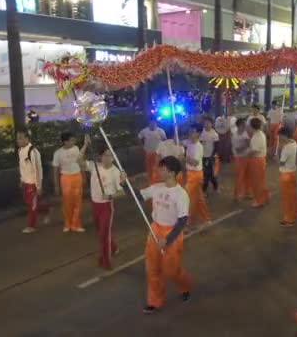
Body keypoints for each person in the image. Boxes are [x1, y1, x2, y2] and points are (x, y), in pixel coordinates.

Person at [121, 156, 193, 315]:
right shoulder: (157, 187)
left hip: (172, 233)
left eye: (163, 169)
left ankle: (185, 285)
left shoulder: (180, 194)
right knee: (152, 268)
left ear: (172, 173)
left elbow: (182, 221)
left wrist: (167, 239)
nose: (159, 171)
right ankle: (154, 301)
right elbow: (137, 196)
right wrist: (124, 184)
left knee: (171, 270)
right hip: (154, 231)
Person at [80, 138, 123, 270]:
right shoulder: (94, 166)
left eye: (110, 156)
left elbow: (121, 192)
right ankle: (113, 247)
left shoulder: (115, 172)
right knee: (101, 232)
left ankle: (106, 260)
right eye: (105, 155)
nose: (108, 158)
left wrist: (109, 196)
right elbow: (79, 161)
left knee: (103, 235)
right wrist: (85, 145)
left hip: (106, 206)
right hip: (95, 205)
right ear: (100, 156)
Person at [16, 129, 49, 234]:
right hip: (26, 182)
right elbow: (22, 167)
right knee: (30, 204)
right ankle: (47, 210)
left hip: (33, 184)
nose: (18, 140)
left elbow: (37, 170)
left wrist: (38, 186)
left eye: (20, 138)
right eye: (17, 138)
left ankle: (31, 226)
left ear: (27, 138)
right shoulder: (20, 150)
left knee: (32, 206)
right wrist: (22, 179)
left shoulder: (33, 151)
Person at [52, 132, 85, 233]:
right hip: (65, 178)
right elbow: (55, 170)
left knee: (77, 201)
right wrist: (56, 185)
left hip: (77, 176)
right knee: (66, 202)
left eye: (74, 140)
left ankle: (76, 224)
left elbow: (81, 162)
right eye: (71, 140)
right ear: (65, 142)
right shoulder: (58, 153)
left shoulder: (76, 148)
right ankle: (67, 224)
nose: (73, 142)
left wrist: (83, 176)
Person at [278, 127, 297, 226]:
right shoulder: (294, 143)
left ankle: (289, 219)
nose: (279, 139)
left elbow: (281, 163)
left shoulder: (286, 148)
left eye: (280, 137)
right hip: (292, 172)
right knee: (292, 195)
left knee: (287, 199)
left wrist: (279, 150)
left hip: (285, 175)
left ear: (285, 136)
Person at [185, 124, 210, 224]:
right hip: (191, 173)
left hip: (195, 175)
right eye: (190, 130)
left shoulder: (198, 147)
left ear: (198, 134)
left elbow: (195, 162)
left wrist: (184, 158)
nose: (190, 133)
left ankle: (187, 221)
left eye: (193, 131)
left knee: (188, 197)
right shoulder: (189, 143)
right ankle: (205, 218)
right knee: (198, 197)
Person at [248, 118, 270, 208]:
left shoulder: (257, 136)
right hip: (260, 160)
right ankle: (264, 197)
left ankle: (259, 200)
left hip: (257, 160)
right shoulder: (260, 134)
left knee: (257, 182)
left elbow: (255, 151)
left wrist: (247, 153)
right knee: (260, 180)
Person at [138, 117, 166, 185]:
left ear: (156, 123)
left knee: (159, 167)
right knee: (150, 168)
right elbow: (139, 138)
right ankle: (151, 182)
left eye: (154, 123)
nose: (152, 124)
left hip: (158, 154)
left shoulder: (160, 131)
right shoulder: (144, 131)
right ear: (149, 123)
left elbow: (164, 140)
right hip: (148, 153)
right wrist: (142, 147)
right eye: (151, 123)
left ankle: (161, 181)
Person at [231, 118, 252, 201]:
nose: (244, 126)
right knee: (239, 177)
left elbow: (248, 144)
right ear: (238, 126)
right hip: (239, 158)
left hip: (246, 157)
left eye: (245, 125)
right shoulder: (235, 135)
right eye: (243, 125)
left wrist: (245, 145)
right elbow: (238, 149)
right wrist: (245, 145)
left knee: (247, 176)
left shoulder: (245, 133)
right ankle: (237, 194)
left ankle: (247, 192)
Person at [200, 117, 220, 194]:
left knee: (208, 173)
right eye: (205, 123)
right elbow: (201, 143)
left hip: (210, 157)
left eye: (208, 123)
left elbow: (216, 147)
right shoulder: (202, 132)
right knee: (208, 173)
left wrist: (212, 156)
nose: (207, 125)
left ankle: (204, 189)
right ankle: (215, 186)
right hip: (203, 156)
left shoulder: (214, 134)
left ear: (212, 124)